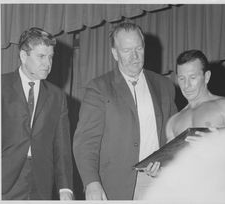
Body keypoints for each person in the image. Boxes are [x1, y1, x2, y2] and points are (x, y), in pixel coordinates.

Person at [73, 22, 177, 200]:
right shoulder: (98, 88)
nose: (134, 56)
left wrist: (166, 161)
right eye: (127, 50)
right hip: (114, 186)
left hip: (159, 183)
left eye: (138, 48)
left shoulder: (164, 85)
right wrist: (91, 182)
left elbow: (173, 133)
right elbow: (85, 142)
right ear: (115, 53)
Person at [2, 27, 73, 200]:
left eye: (50, 57)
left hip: (41, 183)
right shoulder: (0, 86)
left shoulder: (57, 96)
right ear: (23, 56)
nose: (47, 63)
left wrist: (65, 189)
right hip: (3, 180)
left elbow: (61, 146)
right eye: (41, 56)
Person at [166, 49, 225, 141]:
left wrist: (220, 140)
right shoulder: (173, 122)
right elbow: (169, 155)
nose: (186, 85)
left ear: (206, 77)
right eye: (182, 78)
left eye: (193, 77)